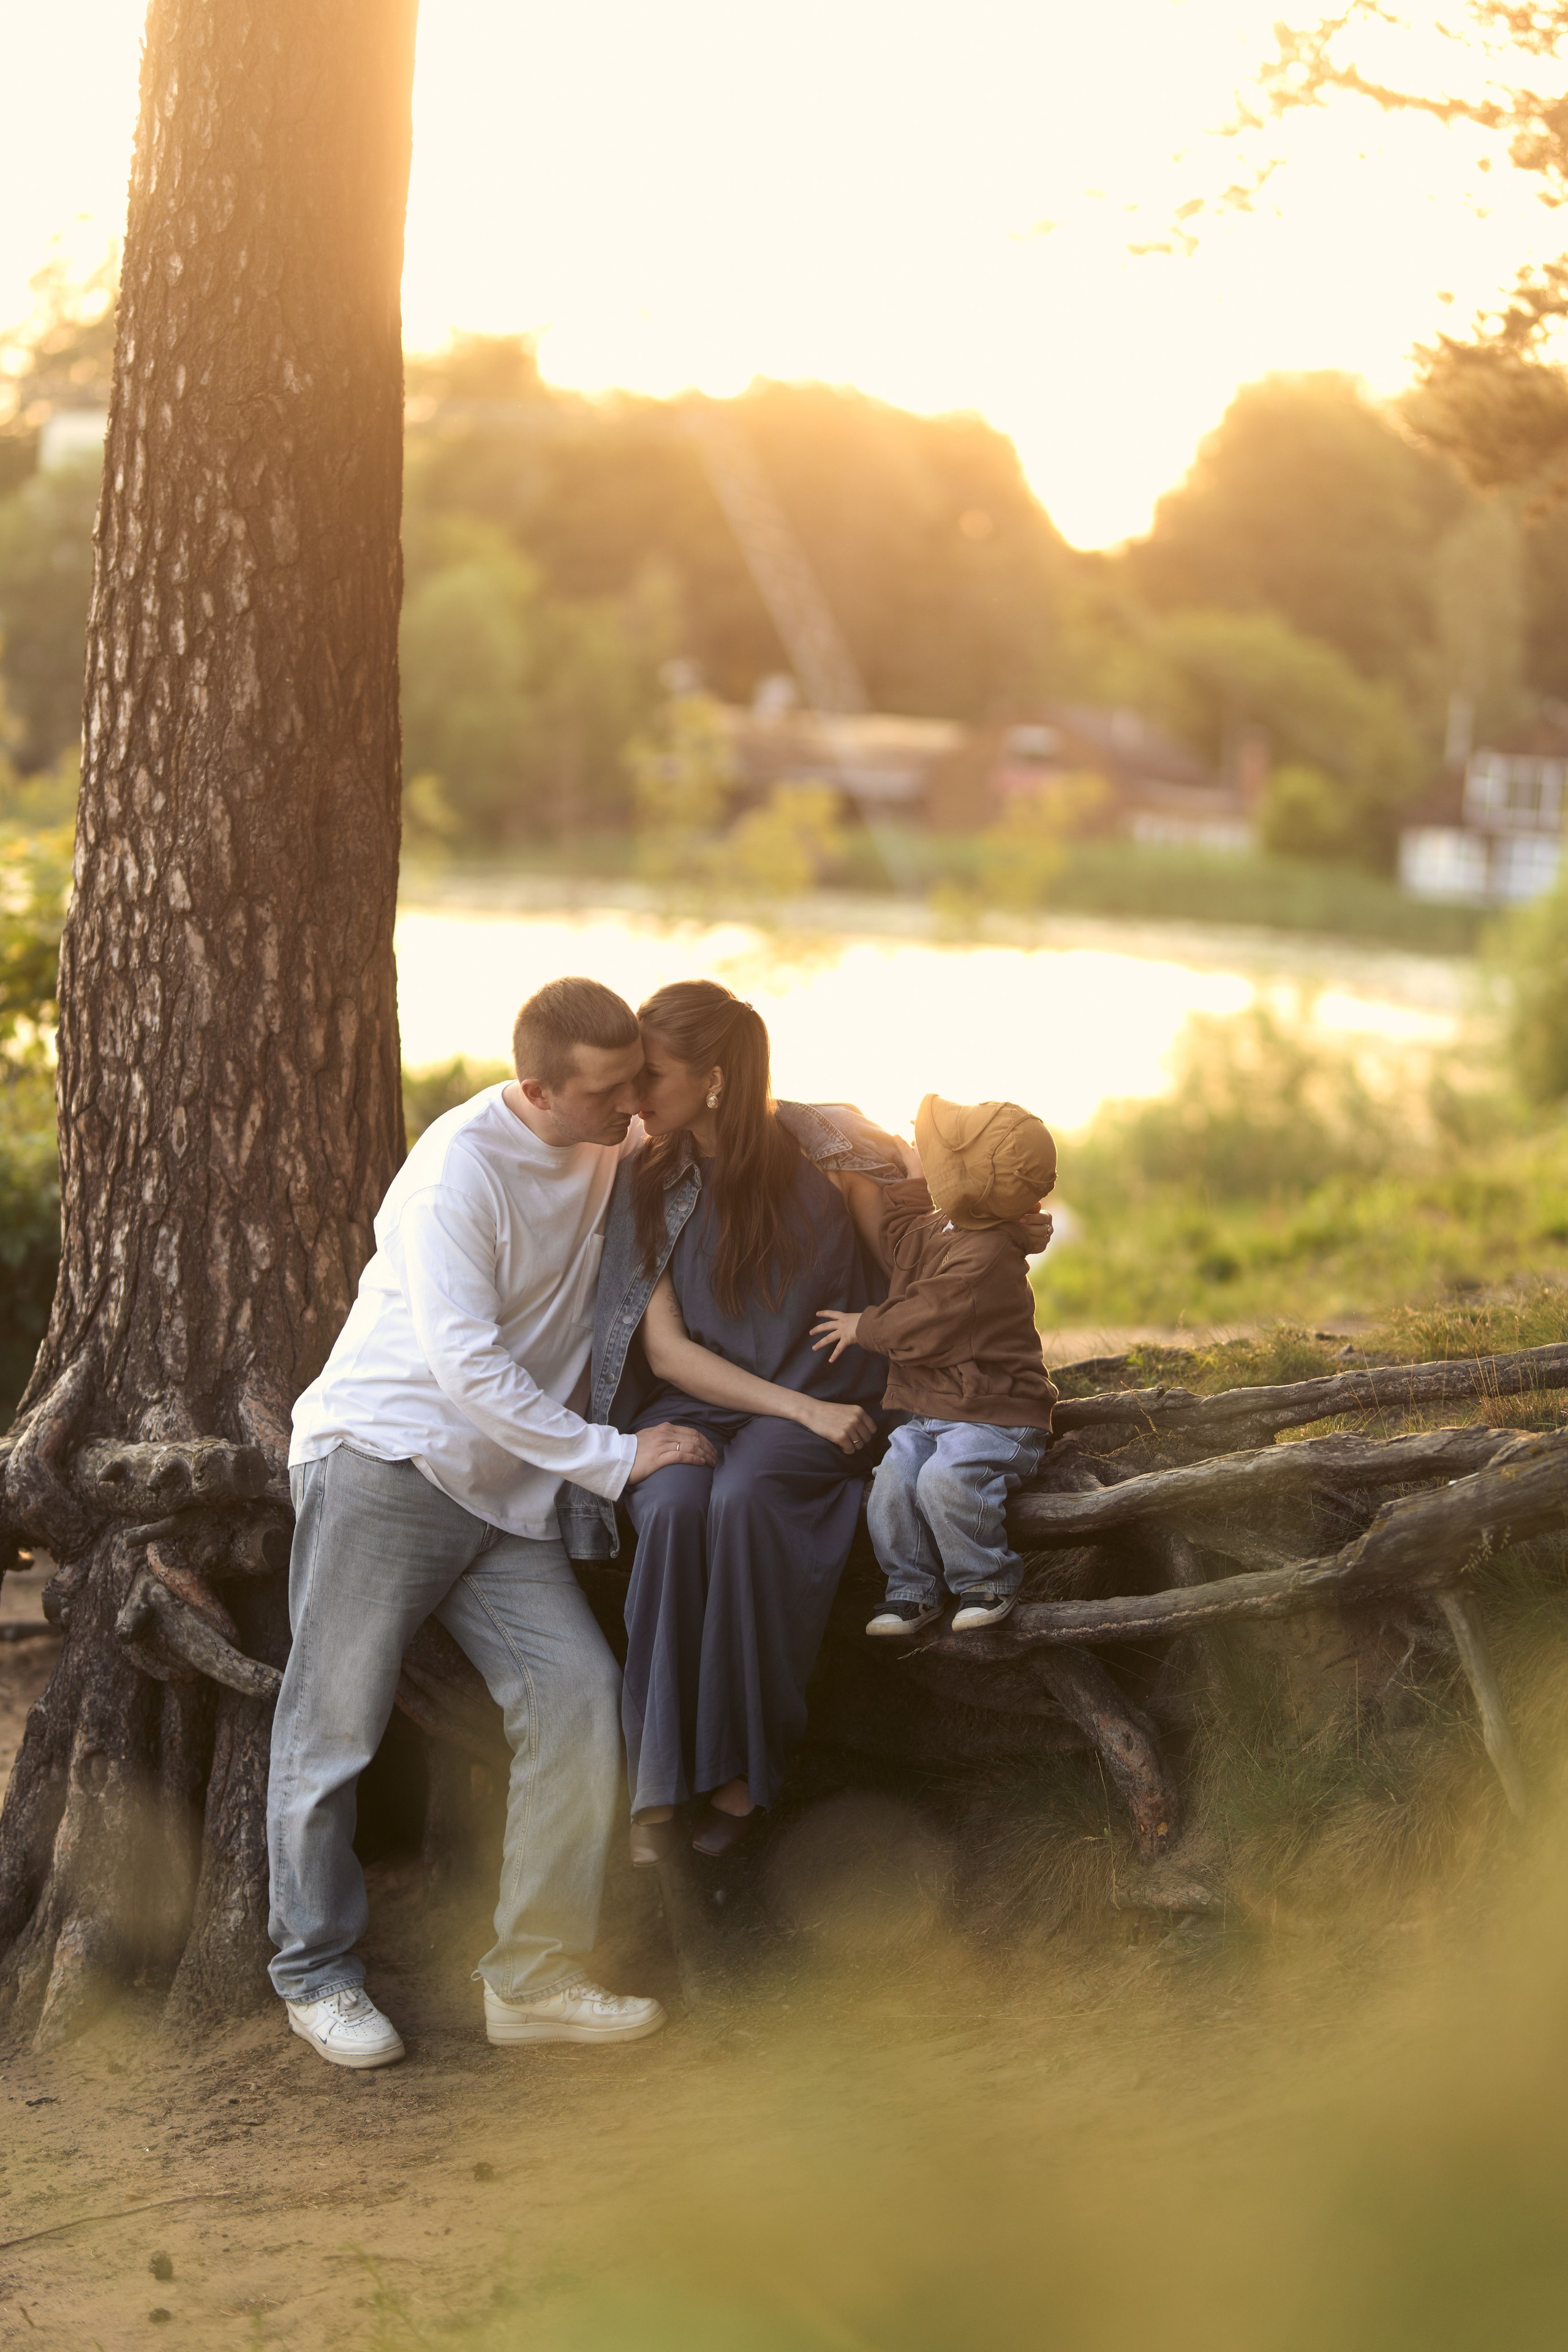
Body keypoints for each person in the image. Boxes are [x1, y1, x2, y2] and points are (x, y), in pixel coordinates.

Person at [268, 976, 716, 2070]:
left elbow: (741, 1114)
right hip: (389, 1460)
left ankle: (532, 1977)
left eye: (636, 1087)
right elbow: (466, 1364)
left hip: (506, 1495)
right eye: (610, 1093)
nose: (632, 1113)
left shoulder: (609, 1138)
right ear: (537, 1089)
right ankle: (315, 1975)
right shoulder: (457, 1173)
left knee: (575, 1701)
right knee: (334, 1727)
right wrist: (614, 1458)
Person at [556, 980, 910, 1863]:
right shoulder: (650, 1177)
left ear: (715, 1079)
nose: (635, 1098)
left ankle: (745, 1775)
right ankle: (661, 1783)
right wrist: (804, 1410)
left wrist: (1004, 1231)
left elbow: (918, 1277)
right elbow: (666, 1353)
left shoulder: (837, 1155)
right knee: (674, 1507)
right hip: (721, 1401)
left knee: (746, 1500)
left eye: (654, 1077)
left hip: (825, 1404)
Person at [811, 1093, 1058, 1637]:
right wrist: (916, 1178)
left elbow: (926, 1318)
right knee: (894, 1480)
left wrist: (864, 1327)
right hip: (933, 1407)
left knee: (947, 1479)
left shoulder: (988, 1252)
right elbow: (898, 1237)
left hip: (994, 1409)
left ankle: (987, 1579)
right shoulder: (943, 1226)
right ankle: (911, 1587)